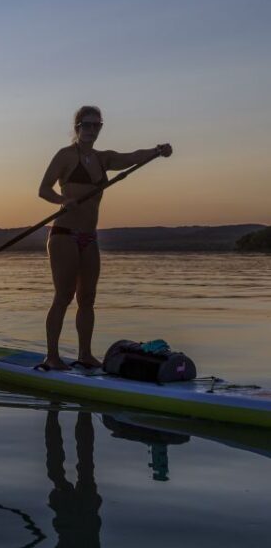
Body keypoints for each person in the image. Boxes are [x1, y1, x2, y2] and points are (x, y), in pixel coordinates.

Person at [38, 106, 171, 370]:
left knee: (87, 298)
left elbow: (132, 157)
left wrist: (157, 151)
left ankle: (85, 355)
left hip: (89, 237)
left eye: (96, 125)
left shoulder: (103, 158)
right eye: (86, 125)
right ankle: (51, 357)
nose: (91, 130)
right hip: (64, 235)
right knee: (63, 296)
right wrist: (63, 200)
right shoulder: (65, 156)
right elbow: (43, 189)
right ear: (77, 127)